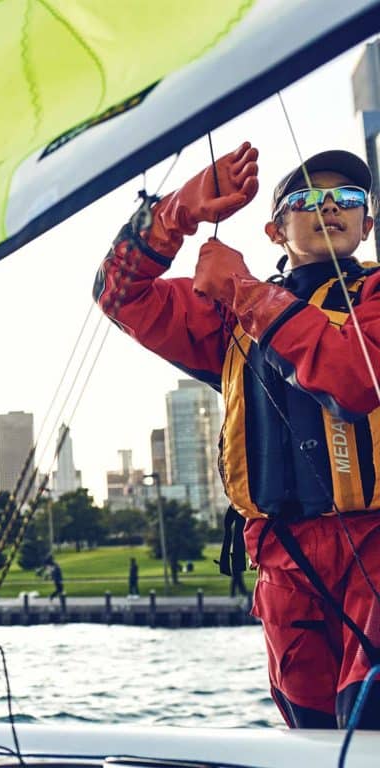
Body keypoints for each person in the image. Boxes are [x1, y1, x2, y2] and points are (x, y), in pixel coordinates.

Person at [94, 142, 380, 728]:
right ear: (275, 230)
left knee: (369, 716)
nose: (330, 206)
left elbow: (355, 377)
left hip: (376, 549)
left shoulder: (373, 296)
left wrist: (246, 292)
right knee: (311, 730)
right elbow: (119, 295)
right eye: (307, 198)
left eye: (347, 197)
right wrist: (176, 212)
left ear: (367, 223)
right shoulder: (225, 317)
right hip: (284, 560)